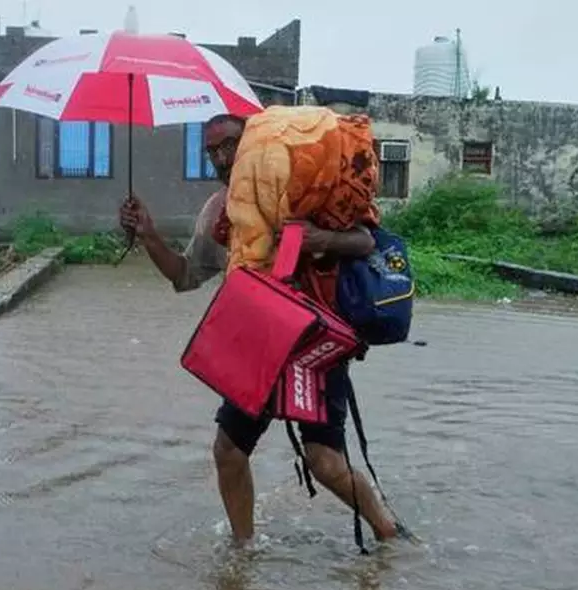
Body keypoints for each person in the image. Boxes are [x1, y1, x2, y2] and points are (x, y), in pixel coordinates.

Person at [119, 113, 399, 546]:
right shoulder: (220, 213)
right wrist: (150, 235)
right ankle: (243, 551)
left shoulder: (300, 193)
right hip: (261, 345)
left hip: (313, 344)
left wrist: (318, 239)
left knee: (324, 461)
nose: (221, 157)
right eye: (211, 150)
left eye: (228, 144)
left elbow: (365, 242)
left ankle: (388, 531)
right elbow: (184, 276)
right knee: (228, 451)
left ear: (250, 141)